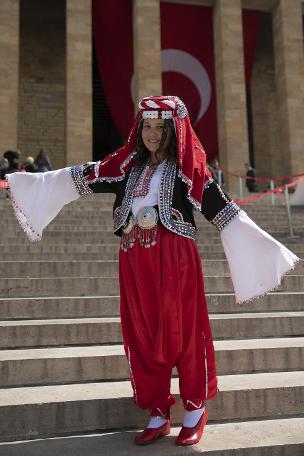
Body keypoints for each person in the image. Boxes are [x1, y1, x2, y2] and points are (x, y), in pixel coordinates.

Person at [5, 96, 299, 447]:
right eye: (147, 125)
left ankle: (194, 408)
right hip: (133, 258)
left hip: (176, 258)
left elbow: (223, 209)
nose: (153, 133)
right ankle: (158, 410)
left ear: (174, 131)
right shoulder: (125, 167)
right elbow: (76, 177)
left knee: (181, 334)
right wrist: (20, 183)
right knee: (142, 336)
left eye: (161, 127)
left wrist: (266, 251)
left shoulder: (187, 170)